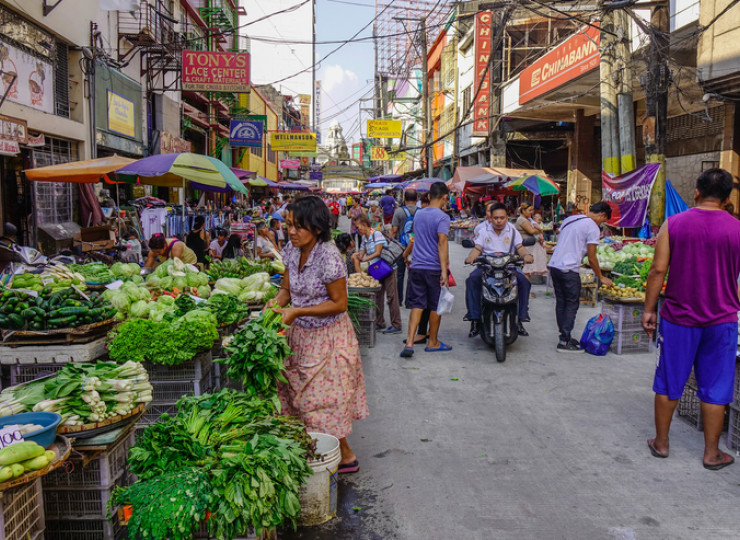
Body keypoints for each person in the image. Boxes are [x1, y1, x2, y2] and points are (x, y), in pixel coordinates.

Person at [642, 168, 740, 471]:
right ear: (727, 198)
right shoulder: (737, 228)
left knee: (670, 379)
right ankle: (712, 454)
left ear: (696, 192)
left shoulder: (674, 224)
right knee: (715, 385)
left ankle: (661, 443)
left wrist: (648, 309)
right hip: (722, 319)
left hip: (679, 318)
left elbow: (658, 270)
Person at [265, 196, 369, 473]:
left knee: (319, 401)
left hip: (328, 338)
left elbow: (339, 303)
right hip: (300, 337)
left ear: (317, 228)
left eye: (299, 226)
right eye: (289, 225)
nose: (293, 232)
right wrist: (274, 306)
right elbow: (287, 289)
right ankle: (329, 453)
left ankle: (341, 456)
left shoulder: (329, 256)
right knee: (298, 397)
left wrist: (297, 313)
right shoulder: (290, 249)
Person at [547, 201, 613, 353]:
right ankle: (564, 341)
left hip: (555, 266)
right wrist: (601, 276)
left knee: (562, 302)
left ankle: (564, 336)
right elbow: (592, 257)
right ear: (602, 215)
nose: (602, 223)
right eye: (604, 220)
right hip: (569, 269)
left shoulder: (571, 219)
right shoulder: (592, 227)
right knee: (571, 304)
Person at [464, 202, 534, 338]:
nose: (499, 221)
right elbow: (477, 249)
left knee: (524, 282)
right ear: (490, 218)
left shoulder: (513, 231)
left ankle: (521, 318)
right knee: (472, 280)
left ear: (507, 217)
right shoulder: (484, 232)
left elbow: (519, 247)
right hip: (487, 267)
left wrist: (526, 255)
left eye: (502, 218)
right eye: (496, 218)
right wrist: (471, 257)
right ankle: (475, 319)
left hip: (510, 268)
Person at [400, 182, 452, 358]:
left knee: (417, 305)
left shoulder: (419, 215)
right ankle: (433, 342)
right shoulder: (443, 217)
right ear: (445, 197)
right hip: (433, 268)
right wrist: (444, 272)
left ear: (429, 197)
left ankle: (409, 342)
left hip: (417, 267)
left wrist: (408, 256)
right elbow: (442, 242)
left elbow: (415, 239)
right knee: (435, 306)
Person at [351, 214, 402, 334]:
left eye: (358, 227)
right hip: (377, 270)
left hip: (388, 268)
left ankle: (397, 324)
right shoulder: (364, 239)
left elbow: (378, 252)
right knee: (377, 297)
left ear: (364, 224)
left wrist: (364, 259)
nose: (357, 230)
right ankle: (380, 322)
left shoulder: (376, 234)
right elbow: (361, 253)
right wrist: (356, 256)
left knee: (392, 297)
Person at [390, 189, 418, 306]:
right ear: (417, 200)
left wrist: (389, 245)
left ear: (404, 199)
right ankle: (409, 301)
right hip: (416, 248)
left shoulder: (399, 212)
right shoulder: (421, 212)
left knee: (400, 274)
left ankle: (399, 300)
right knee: (413, 275)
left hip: (400, 247)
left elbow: (394, 230)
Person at [515, 203, 548, 279]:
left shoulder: (528, 220)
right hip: (527, 247)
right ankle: (525, 290)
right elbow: (531, 231)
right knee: (526, 270)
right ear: (523, 210)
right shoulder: (522, 220)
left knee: (527, 270)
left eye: (532, 210)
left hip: (529, 246)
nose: (531, 212)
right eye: (529, 210)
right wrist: (539, 229)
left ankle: (526, 289)